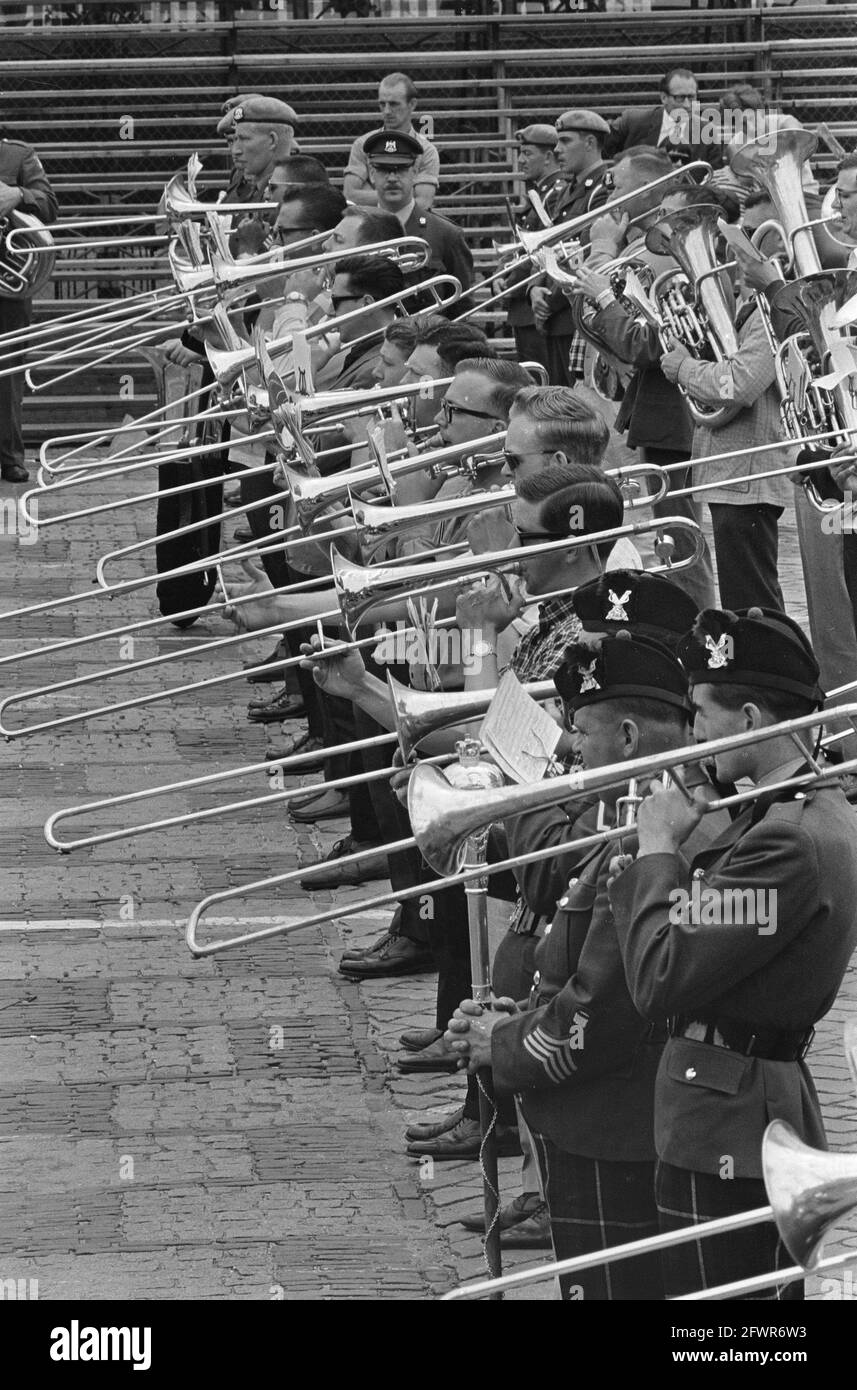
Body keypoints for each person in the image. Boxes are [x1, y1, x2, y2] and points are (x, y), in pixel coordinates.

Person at [446, 634, 705, 1299]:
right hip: (601, 1113)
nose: (568, 744)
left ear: (624, 733)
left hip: (616, 1124)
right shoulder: (638, 817)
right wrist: (515, 1018)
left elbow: (605, 1007)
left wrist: (502, 1045)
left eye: (579, 728)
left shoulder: (661, 831)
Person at [608, 606, 857, 1299]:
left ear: (748, 720)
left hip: (726, 1114)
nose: (692, 735)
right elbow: (712, 928)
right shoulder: (797, 813)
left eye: (701, 715)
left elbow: (660, 975)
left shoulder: (786, 839)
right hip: (736, 1102)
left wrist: (656, 849)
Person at [529, 110, 611, 388]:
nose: (557, 149)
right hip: (557, 312)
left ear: (590, 142)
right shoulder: (568, 187)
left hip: (573, 312)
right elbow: (551, 245)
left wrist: (549, 302)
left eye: (565, 141)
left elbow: (585, 252)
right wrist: (534, 288)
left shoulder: (603, 188)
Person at [0, 119, 57, 482]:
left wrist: (19, 196)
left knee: (7, 374)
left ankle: (9, 456)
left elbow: (50, 206)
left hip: (6, 286)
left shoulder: (18, 156)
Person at [362, 129, 473, 316]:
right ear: (372, 174)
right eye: (383, 169)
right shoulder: (355, 231)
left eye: (401, 170)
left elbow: (463, 306)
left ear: (415, 172)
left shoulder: (445, 233)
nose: (392, 178)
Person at [504, 125, 566, 372]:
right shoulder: (541, 193)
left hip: (534, 306)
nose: (520, 160)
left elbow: (544, 248)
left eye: (528, 153)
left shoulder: (554, 194)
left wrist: (510, 280)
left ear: (549, 157)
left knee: (540, 382)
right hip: (524, 305)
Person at [344, 73, 440, 212]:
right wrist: (406, 193)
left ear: (412, 104)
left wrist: (370, 192)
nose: (387, 111)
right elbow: (350, 196)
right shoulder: (363, 144)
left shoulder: (426, 150)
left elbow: (423, 202)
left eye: (394, 104)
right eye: (382, 104)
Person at [605, 67, 712, 168]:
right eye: (680, 97)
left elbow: (715, 175)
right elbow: (601, 151)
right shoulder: (633, 122)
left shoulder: (706, 130)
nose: (687, 105)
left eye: (692, 97)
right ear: (663, 98)